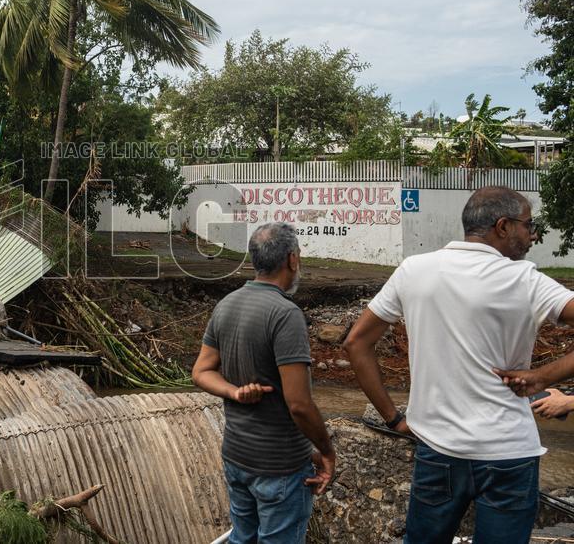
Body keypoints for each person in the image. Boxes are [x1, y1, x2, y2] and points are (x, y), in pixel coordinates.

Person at [344, 186, 574, 544]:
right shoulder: (526, 280)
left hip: (439, 449)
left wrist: (394, 418)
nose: (533, 235)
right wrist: (542, 377)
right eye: (528, 225)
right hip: (509, 453)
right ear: (502, 226)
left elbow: (356, 343)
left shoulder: (413, 270)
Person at [193, 222, 335, 544]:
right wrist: (326, 451)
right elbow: (299, 404)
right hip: (280, 468)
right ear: (292, 260)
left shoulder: (226, 305)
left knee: (243, 539)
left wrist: (234, 391)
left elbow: (201, 371)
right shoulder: (286, 314)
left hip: (236, 459)